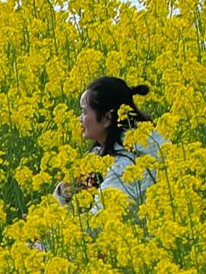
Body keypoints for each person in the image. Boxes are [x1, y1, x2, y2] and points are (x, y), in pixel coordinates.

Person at [55, 76, 162, 214]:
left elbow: (98, 222)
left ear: (106, 119)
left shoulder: (125, 165)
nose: (79, 119)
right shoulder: (148, 136)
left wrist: (49, 232)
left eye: (84, 112)